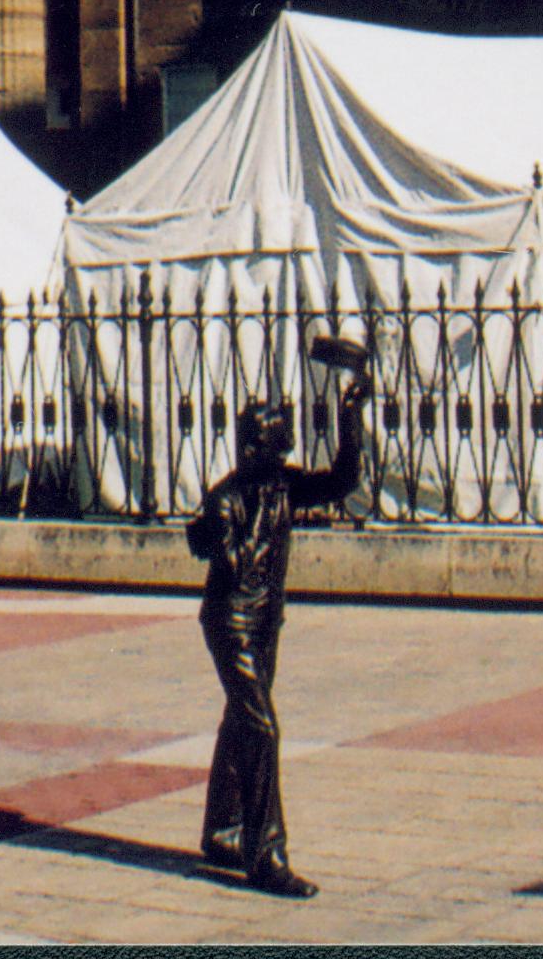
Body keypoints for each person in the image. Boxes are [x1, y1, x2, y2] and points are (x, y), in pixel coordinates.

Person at [182, 339, 370, 898]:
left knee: (241, 719)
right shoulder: (228, 496)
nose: (284, 440)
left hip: (266, 622)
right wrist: (214, 538)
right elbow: (203, 537)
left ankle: (222, 830)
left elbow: (342, 482)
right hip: (231, 623)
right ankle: (265, 857)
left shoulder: (284, 484)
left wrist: (349, 416)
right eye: (275, 434)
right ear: (255, 444)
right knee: (262, 726)